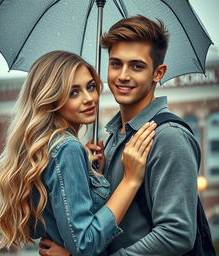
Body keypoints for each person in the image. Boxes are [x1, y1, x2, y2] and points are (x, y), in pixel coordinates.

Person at [40, 15, 200, 256]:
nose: (123, 75)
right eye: (116, 64)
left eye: (137, 66)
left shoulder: (168, 137)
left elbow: (176, 234)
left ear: (158, 73)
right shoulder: (114, 138)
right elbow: (105, 226)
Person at [0, 50, 157, 256]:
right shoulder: (67, 149)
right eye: (73, 92)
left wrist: (90, 174)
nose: (89, 99)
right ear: (50, 98)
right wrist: (130, 181)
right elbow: (85, 244)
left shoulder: (49, 147)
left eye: (91, 87)